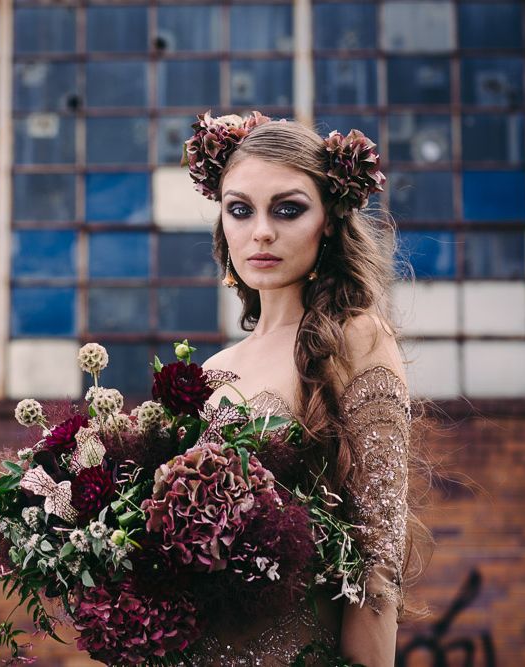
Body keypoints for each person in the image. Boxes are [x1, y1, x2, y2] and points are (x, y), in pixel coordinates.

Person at [179, 112, 422, 666]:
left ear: (330, 222)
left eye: (287, 209)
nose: (261, 230)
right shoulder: (214, 367)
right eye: (240, 210)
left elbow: (378, 551)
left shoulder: (355, 337)